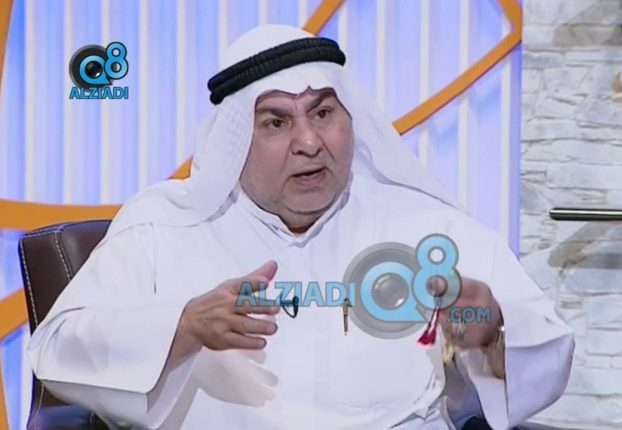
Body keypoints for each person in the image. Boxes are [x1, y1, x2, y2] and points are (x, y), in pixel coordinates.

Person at [27, 24, 574, 430]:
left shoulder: (427, 225)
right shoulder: (163, 226)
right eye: (276, 122)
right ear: (235, 138)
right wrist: (183, 327)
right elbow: (58, 350)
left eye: (324, 113)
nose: (309, 141)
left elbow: (544, 346)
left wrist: (490, 331)